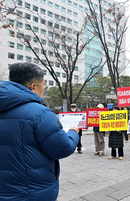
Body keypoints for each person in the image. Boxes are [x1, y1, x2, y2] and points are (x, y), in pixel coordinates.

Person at [0, 62, 79, 201]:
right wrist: (73, 132)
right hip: (32, 192)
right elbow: (62, 149)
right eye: (43, 85)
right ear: (33, 86)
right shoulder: (40, 114)